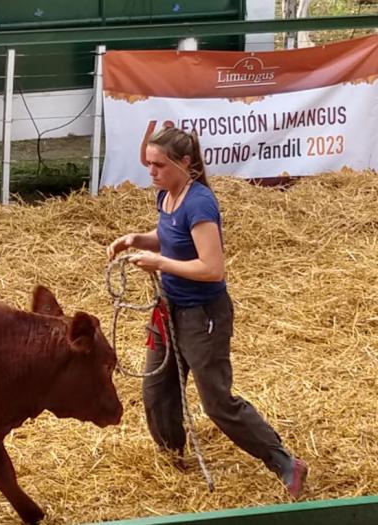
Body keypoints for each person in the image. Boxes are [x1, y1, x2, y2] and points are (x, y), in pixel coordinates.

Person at [106, 125, 309, 498]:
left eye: (159, 165)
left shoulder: (199, 203)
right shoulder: (167, 196)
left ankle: (284, 462)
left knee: (217, 402)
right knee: (156, 391)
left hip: (203, 314)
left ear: (185, 163)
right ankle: (173, 456)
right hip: (170, 309)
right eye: (149, 164)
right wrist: (138, 240)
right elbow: (169, 236)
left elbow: (211, 268)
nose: (151, 172)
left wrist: (160, 262)